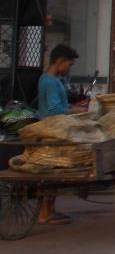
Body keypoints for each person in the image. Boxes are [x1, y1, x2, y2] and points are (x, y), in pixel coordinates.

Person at [35, 44, 84, 225]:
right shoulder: (50, 82)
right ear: (60, 61)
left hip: (51, 127)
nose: (69, 69)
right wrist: (74, 111)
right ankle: (45, 213)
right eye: (69, 65)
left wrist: (72, 107)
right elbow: (54, 110)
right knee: (54, 172)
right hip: (53, 130)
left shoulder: (50, 79)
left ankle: (49, 211)